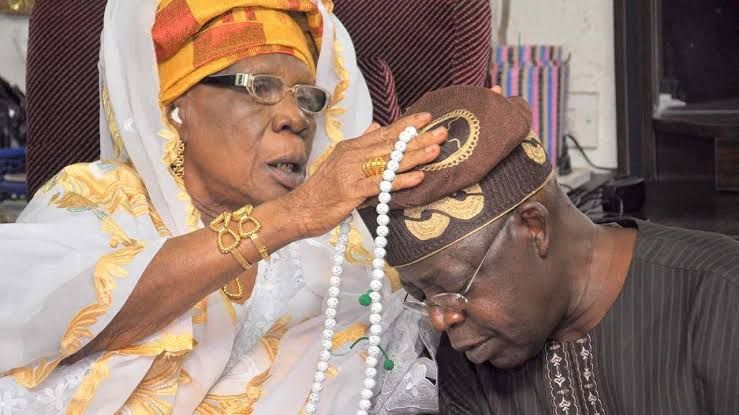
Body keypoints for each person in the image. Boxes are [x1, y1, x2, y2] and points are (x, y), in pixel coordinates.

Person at [0, 0, 450, 413]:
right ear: (179, 108)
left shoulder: (343, 243)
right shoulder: (100, 195)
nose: (295, 118)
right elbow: (45, 326)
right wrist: (293, 216)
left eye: (307, 97)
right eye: (261, 87)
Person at [359, 85, 739, 415]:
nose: (440, 320)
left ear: (534, 227)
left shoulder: (723, 299)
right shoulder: (469, 359)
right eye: (422, 296)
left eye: (454, 289)